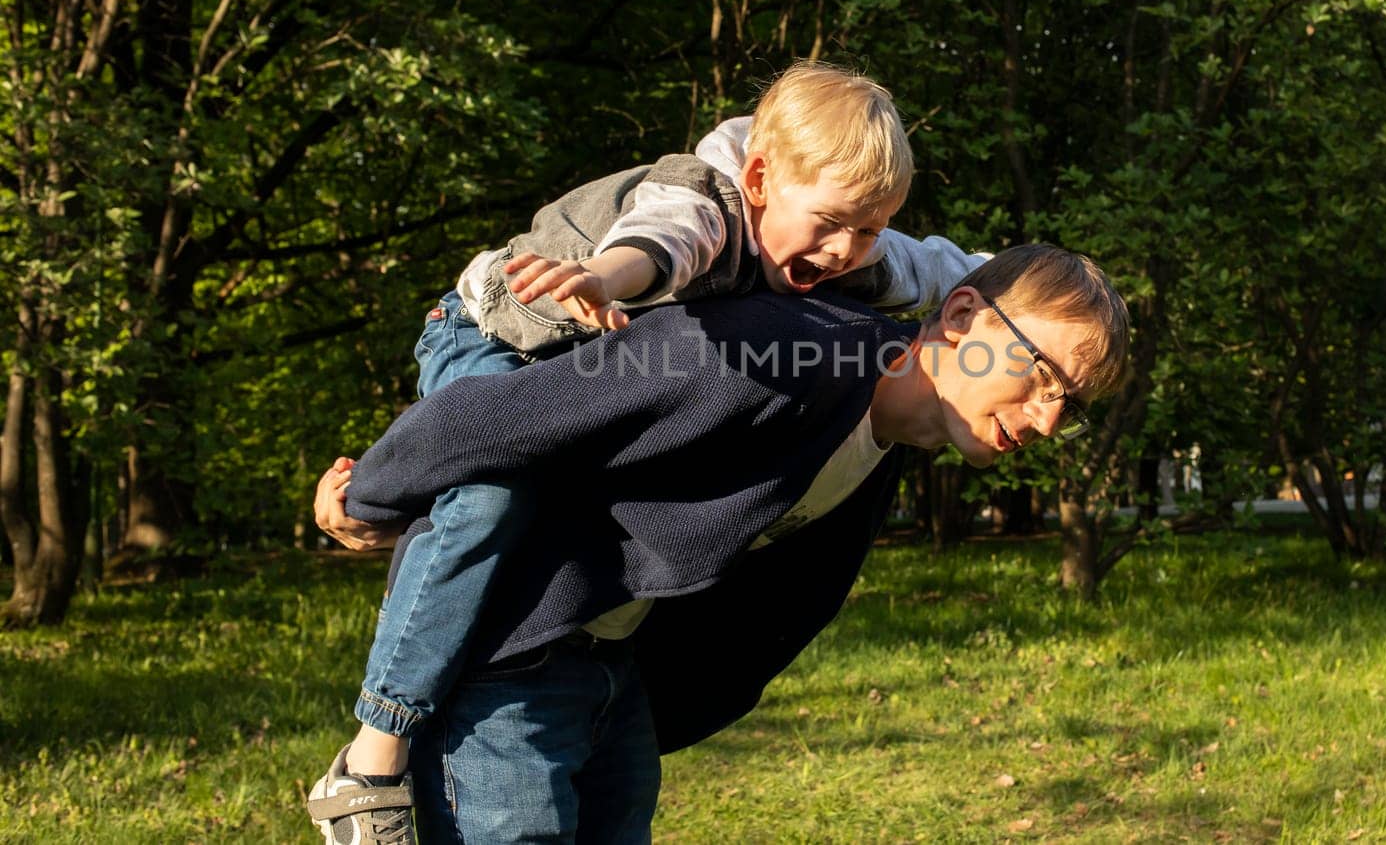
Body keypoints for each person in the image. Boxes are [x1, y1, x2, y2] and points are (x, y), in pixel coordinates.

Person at [306, 61, 989, 843]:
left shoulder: (846, 239)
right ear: (760, 177)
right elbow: (664, 241)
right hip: (490, 326)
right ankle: (374, 750)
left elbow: (934, 265)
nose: (844, 251)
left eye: (867, 229)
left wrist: (1023, 287)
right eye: (832, 223)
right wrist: (601, 275)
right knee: (490, 495)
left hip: (574, 433)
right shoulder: (704, 201)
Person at [309, 245, 1129, 843]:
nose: (1050, 419)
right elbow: (506, 414)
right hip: (510, 662)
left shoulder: (881, 446)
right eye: (1041, 375)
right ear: (961, 317)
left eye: (1073, 403)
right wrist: (366, 501)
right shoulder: (773, 354)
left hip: (609, 680)